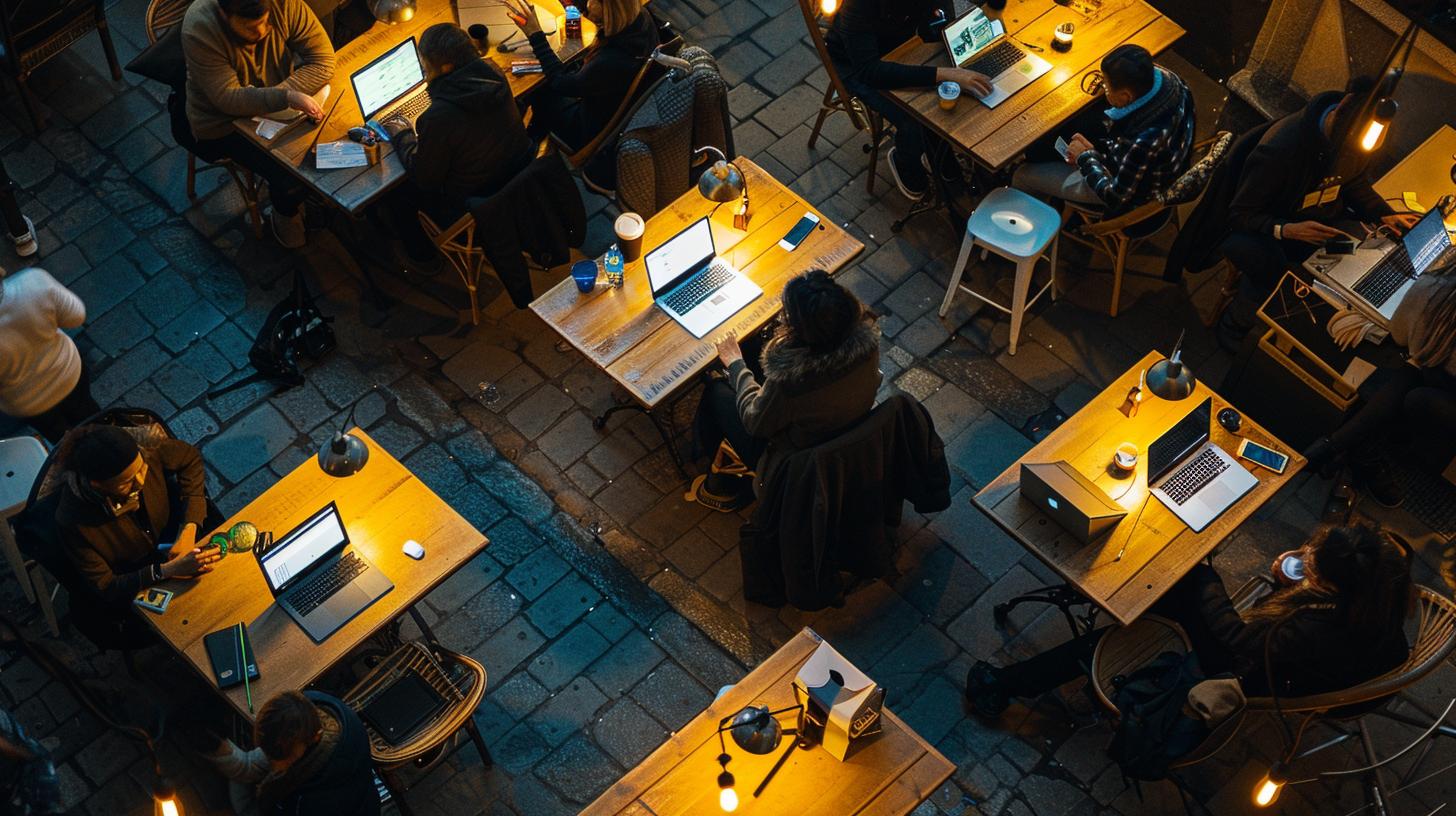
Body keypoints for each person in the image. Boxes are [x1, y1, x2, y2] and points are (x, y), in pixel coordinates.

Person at [965, 525, 1413, 716]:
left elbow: (1238, 645)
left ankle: (1006, 686)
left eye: (1313, 566)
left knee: (1187, 582)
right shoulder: (1385, 587)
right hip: (1320, 671)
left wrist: (1207, 580)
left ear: (1333, 588)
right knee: (1175, 592)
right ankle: (1138, 605)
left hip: (1252, 679)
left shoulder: (1306, 631)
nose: (1305, 559)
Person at [1218, 76, 1420, 296]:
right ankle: (1238, 321)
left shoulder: (1365, 136)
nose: (1351, 157)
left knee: (1363, 266)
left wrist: (1383, 214)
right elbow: (1239, 215)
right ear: (1337, 115)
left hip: (1321, 226)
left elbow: (1352, 180)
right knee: (1283, 288)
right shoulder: (1280, 152)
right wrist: (1286, 230)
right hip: (1274, 230)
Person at [704, 269, 882, 493]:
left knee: (716, 391)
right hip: (846, 428)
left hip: (793, 459)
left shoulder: (791, 381)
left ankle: (717, 481)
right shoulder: (868, 343)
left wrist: (736, 364)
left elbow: (754, 422)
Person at [181, 0, 336, 248]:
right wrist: (285, 98)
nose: (262, 32)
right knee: (293, 172)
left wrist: (279, 99)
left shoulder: (284, 4)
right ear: (224, 13)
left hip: (273, 108)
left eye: (265, 22)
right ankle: (285, 214)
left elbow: (323, 60)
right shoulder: (200, 27)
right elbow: (228, 99)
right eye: (251, 28)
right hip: (223, 123)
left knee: (331, 143)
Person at [379, 23, 534, 270]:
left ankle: (423, 258)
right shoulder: (493, 72)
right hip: (513, 189)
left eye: (425, 65)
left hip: (470, 212)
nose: (423, 70)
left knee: (396, 193)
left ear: (446, 68)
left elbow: (425, 179)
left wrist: (403, 134)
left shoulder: (438, 117)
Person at [1305, 264, 1456, 506]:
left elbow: (1399, 336)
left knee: (1415, 385)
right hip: (1433, 376)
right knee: (1414, 375)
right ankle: (1345, 447)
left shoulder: (1433, 286)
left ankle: (1335, 447)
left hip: (1433, 387)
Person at [824, 0, 991, 202]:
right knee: (915, 120)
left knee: (950, 100)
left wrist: (942, 22)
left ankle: (940, 154)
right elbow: (869, 71)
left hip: (898, 46)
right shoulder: (858, 5)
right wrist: (944, 74)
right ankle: (905, 162)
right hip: (855, 66)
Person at [55, 425, 222, 612]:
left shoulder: (147, 451)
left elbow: (189, 458)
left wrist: (189, 528)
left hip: (180, 544)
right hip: (142, 582)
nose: (141, 482)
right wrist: (167, 570)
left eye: (142, 469)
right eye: (126, 483)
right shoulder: (73, 521)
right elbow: (106, 586)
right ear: (97, 485)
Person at [1012, 44, 1194, 214]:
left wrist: (1085, 158)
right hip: (1159, 161)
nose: (1102, 87)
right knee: (1080, 123)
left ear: (1125, 96)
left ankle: (1029, 223)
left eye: (1106, 85)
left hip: (1133, 195)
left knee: (1023, 174)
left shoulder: (1145, 141)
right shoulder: (1171, 80)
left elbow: (1116, 197)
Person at [504, 0, 660, 152]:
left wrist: (535, 34)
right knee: (566, 60)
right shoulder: (640, 17)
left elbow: (560, 83)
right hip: (614, 110)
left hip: (586, 132)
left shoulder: (611, 60)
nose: (588, 4)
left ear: (606, 6)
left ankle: (526, 146)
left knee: (535, 87)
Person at [198, 690, 379, 816]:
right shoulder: (312, 711)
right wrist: (220, 750)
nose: (274, 767)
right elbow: (262, 761)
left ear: (315, 738)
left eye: (281, 757)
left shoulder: (310, 804)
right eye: (269, 753)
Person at [0, 266, 99, 444]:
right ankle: (109, 444)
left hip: (27, 403)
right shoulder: (32, 282)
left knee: (60, 437)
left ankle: (77, 458)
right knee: (88, 411)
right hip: (68, 373)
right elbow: (76, 317)